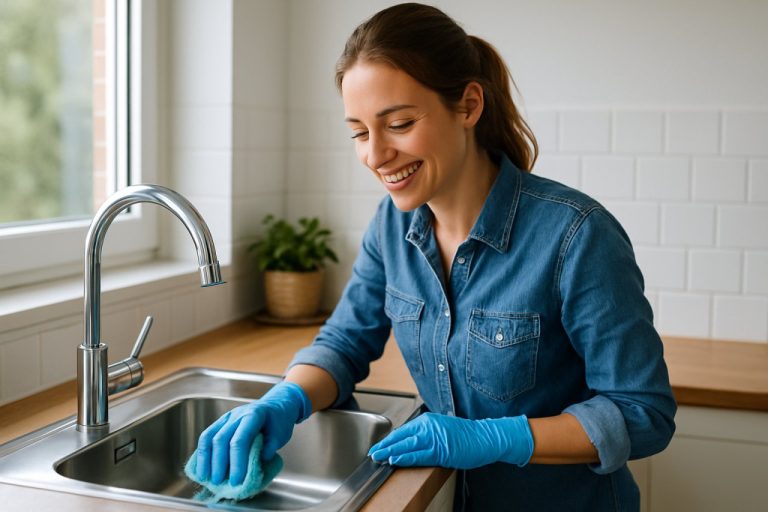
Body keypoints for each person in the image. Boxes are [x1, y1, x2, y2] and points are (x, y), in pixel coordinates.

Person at [193, 3, 676, 510]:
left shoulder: (576, 235)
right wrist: (284, 400)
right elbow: (344, 342)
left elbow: (642, 413)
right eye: (359, 132)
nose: (375, 155)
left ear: (468, 105)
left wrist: (496, 438)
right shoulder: (392, 224)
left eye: (398, 123)